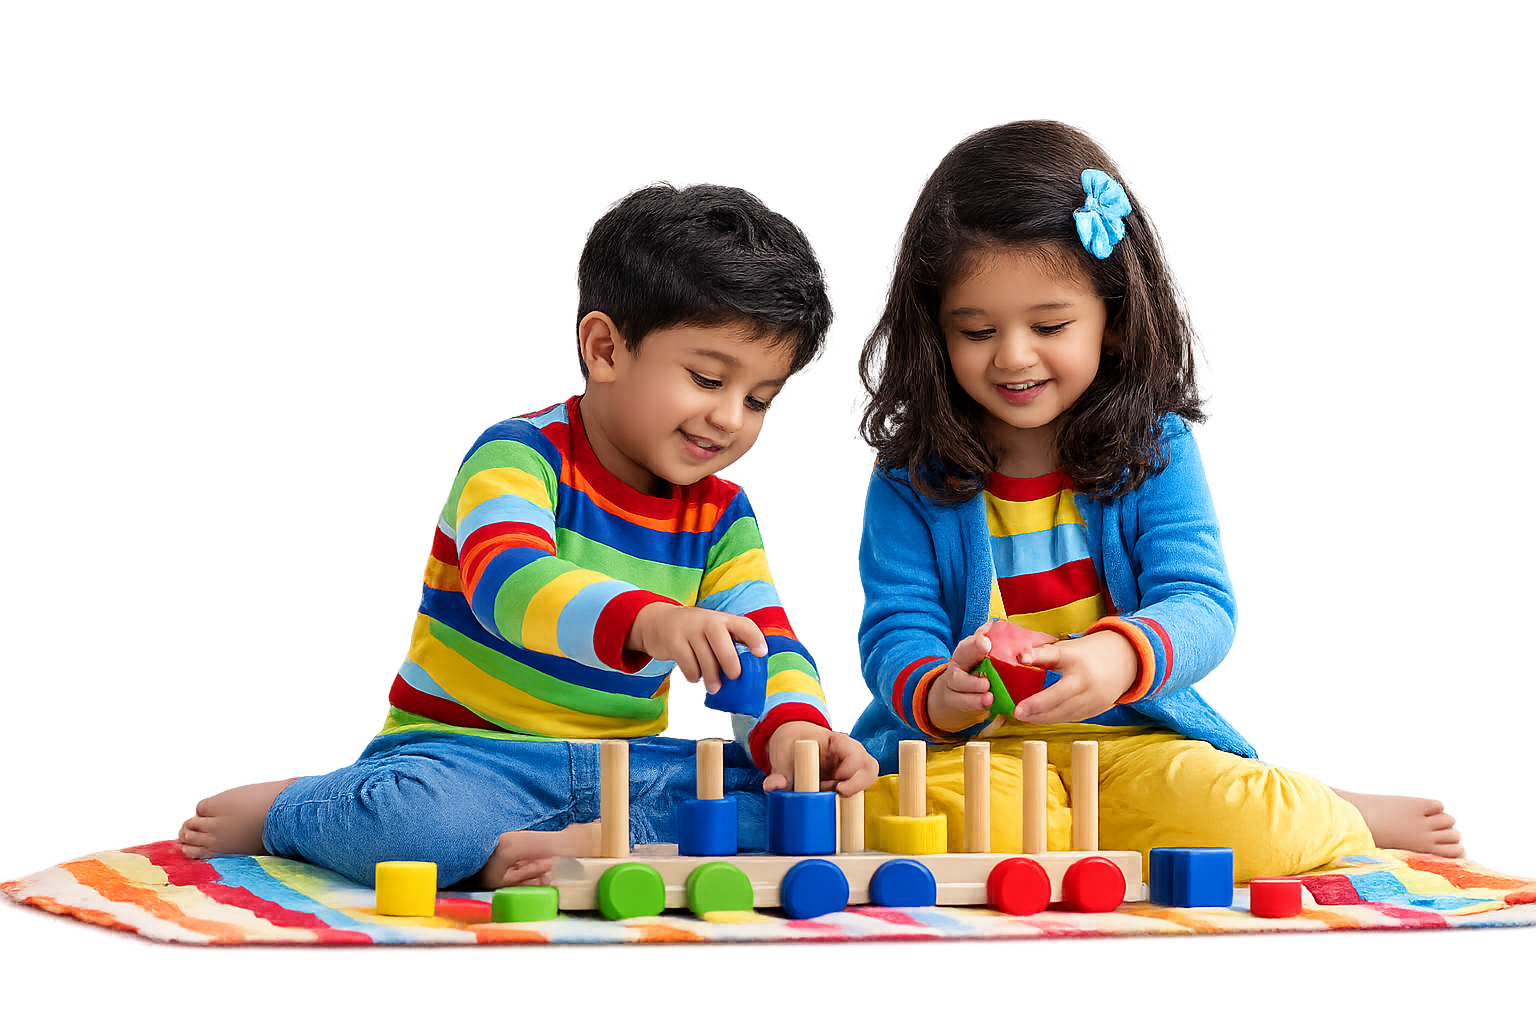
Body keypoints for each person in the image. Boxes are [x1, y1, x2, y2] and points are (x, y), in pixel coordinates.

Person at [179, 184, 878, 888]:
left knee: (799, 811)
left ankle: (567, 844)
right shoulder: (517, 457)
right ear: (605, 349)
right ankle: (293, 811)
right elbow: (510, 586)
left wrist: (798, 734)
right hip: (469, 757)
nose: (729, 418)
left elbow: (767, 637)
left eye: (758, 400)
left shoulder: (723, 515)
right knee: (419, 830)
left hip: (624, 766)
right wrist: (653, 622)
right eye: (705, 379)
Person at [853, 122, 1462, 881]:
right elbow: (896, 626)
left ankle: (1335, 809)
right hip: (977, 754)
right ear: (937, 332)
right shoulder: (910, 477)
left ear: (1111, 321)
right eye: (976, 331)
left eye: (1049, 326)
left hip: (1131, 746)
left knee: (1268, 832)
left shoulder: (1153, 447)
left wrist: (1118, 655)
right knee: (915, 827)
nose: (1012, 356)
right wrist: (938, 693)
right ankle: (1072, 832)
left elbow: (1200, 603)